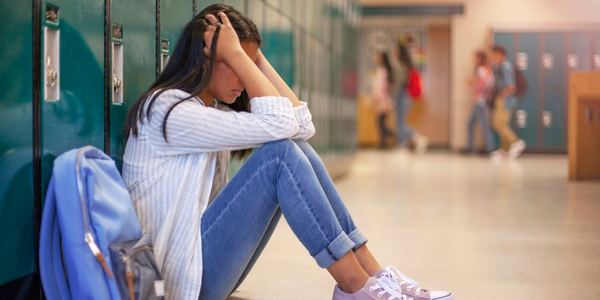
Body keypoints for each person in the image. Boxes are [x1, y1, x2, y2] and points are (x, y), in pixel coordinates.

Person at [122, 4, 453, 300]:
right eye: (237, 64)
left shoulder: (211, 111)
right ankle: (355, 287)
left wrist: (250, 55)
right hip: (177, 282)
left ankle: (374, 277)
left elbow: (301, 125)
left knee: (294, 148)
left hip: (200, 267)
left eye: (250, 65)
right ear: (206, 57)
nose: (244, 77)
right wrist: (239, 55)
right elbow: (282, 124)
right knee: (279, 156)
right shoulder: (167, 111)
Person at [490, 45, 526, 159]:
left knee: (498, 124)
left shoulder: (506, 66)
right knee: (501, 124)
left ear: (501, 54)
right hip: (502, 98)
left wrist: (501, 95)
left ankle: (516, 142)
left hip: (505, 99)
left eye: (495, 54)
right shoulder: (498, 67)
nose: (493, 57)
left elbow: (511, 87)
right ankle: (504, 149)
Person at [392, 43, 429, 152]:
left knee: (400, 123)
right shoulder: (408, 65)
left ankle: (417, 137)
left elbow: (399, 83)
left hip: (402, 95)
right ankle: (402, 144)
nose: (393, 53)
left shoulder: (401, 65)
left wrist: (392, 97)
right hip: (407, 96)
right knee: (400, 121)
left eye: (395, 51)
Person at [465, 51, 495, 154]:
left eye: (475, 58)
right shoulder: (488, 69)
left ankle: (489, 148)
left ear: (479, 59)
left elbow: (482, 85)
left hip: (480, 100)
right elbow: (490, 83)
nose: (473, 60)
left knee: (483, 125)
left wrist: (471, 85)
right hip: (482, 100)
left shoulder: (481, 70)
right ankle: (470, 148)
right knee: (470, 124)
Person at [371, 52, 395, 148]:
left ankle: (390, 135)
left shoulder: (382, 70)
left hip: (382, 100)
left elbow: (379, 86)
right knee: (381, 122)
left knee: (380, 123)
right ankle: (383, 143)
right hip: (384, 99)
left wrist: (375, 98)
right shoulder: (386, 70)